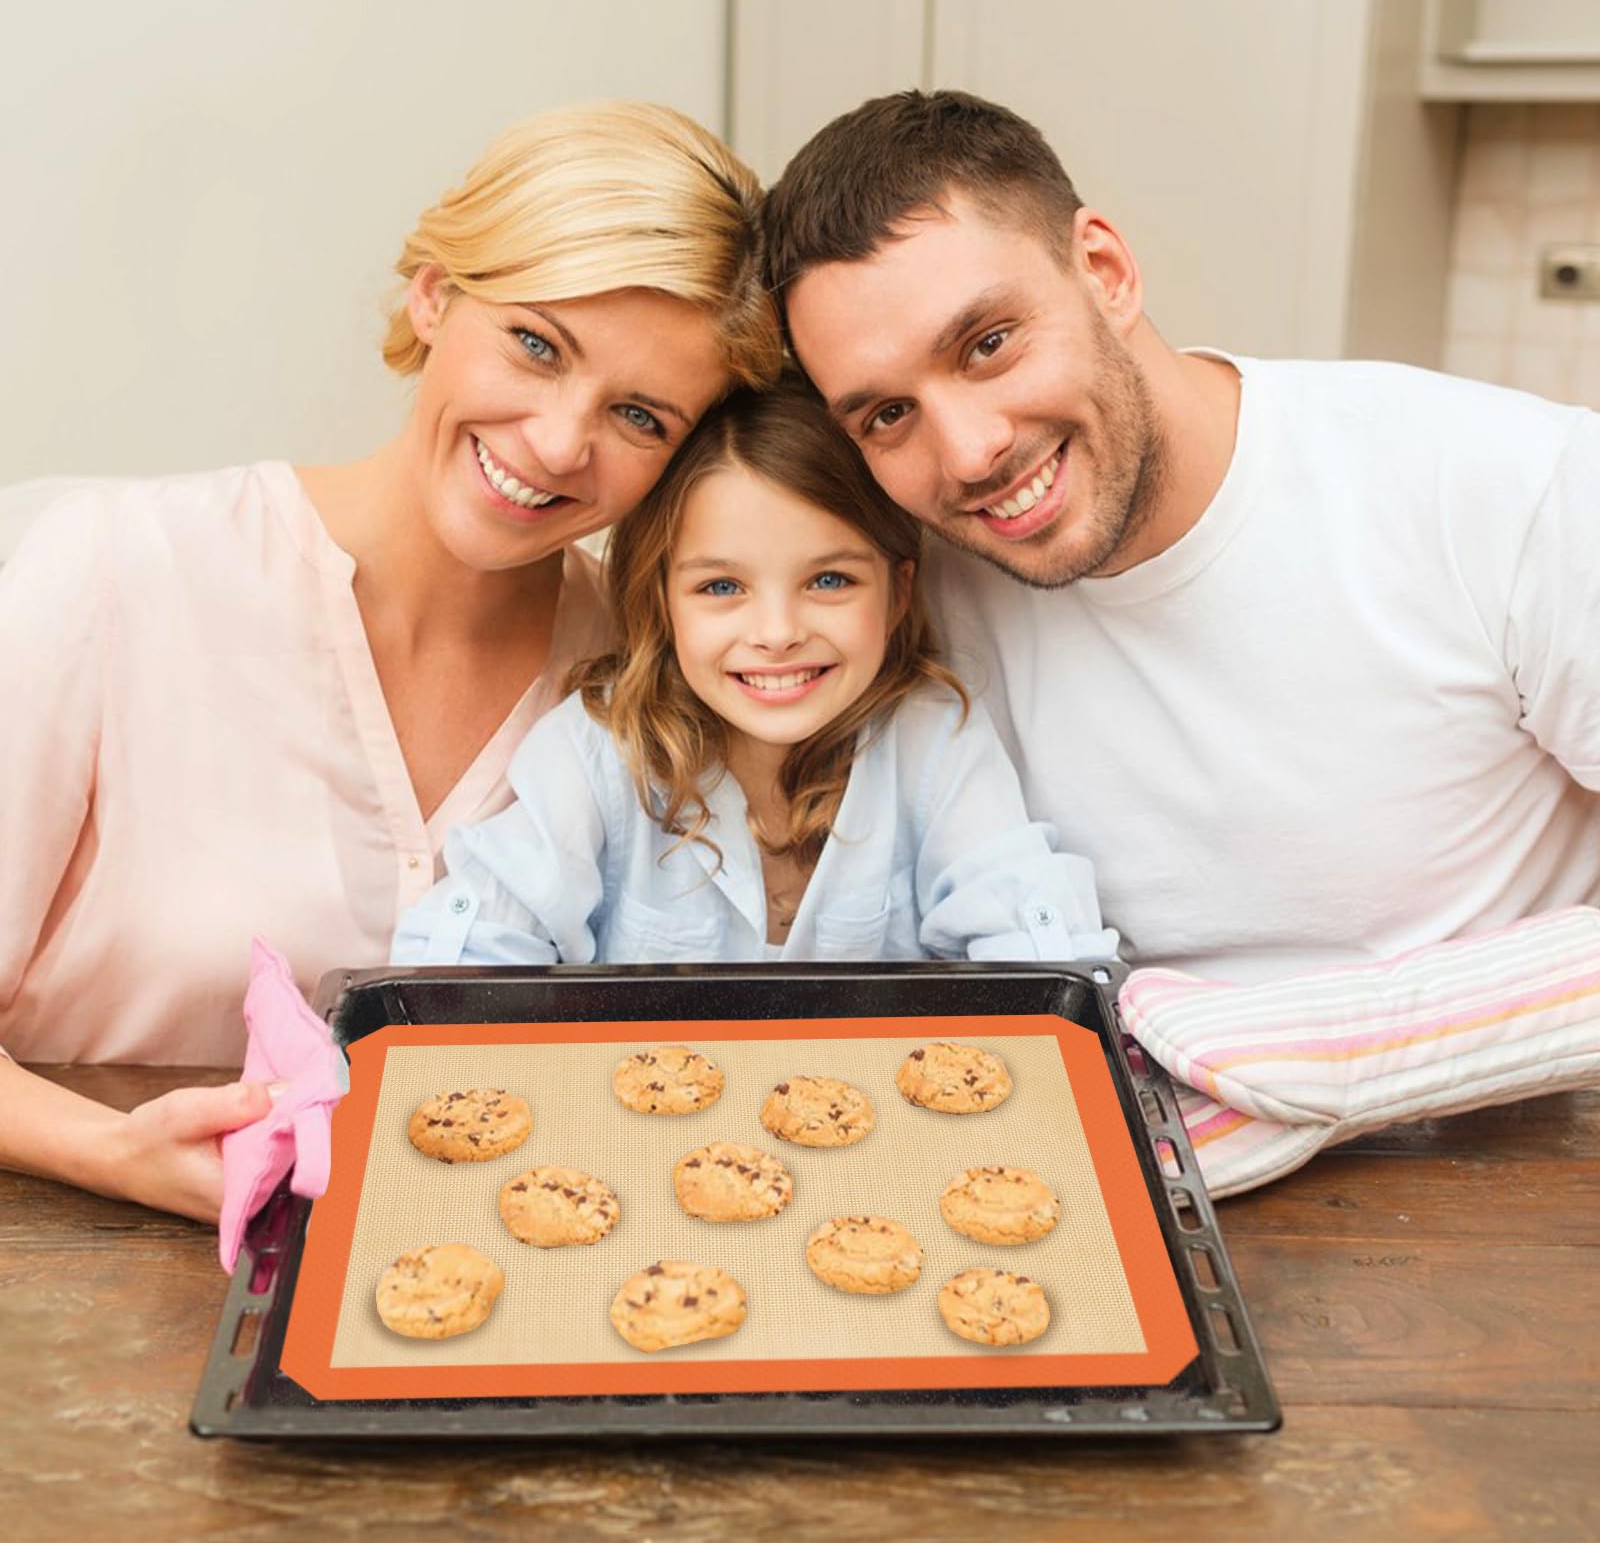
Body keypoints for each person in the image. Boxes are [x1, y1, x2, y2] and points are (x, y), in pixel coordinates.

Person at [760, 89, 1600, 1187]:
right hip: (1099, 1184)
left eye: (987, 343)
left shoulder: (1505, 486)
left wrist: (1326, 1055)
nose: (965, 453)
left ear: (1103, 271)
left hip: (1487, 1192)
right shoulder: (901, 587)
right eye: (885, 414)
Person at [0, 101, 782, 1221]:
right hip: (78, 1292)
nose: (560, 442)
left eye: (641, 416)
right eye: (535, 344)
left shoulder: (647, 670)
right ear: (432, 293)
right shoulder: (120, 571)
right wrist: (110, 1151)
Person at [394, 374, 1116, 966]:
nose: (777, 634)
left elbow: (1038, 952)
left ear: (897, 594)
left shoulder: (933, 740)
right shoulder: (597, 749)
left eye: (829, 581)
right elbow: (468, 953)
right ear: (662, 599)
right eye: (721, 588)